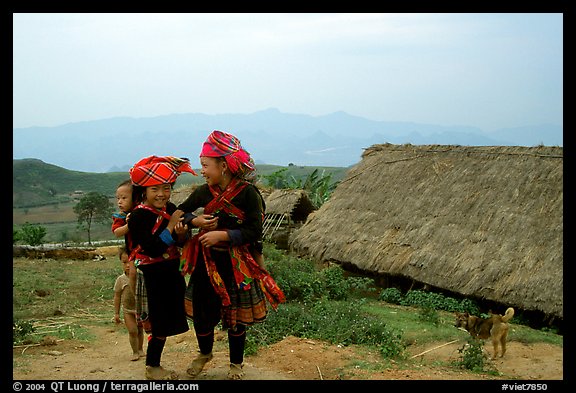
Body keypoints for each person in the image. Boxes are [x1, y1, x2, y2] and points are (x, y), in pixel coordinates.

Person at [177, 130, 285, 380]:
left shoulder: (249, 194)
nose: (201, 170)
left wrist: (223, 235)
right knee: (203, 313)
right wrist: (196, 221)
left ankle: (236, 363)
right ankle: (205, 354)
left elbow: (254, 231)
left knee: (236, 316)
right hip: (207, 263)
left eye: (205, 165)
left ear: (223, 166)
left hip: (237, 264)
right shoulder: (205, 192)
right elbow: (182, 212)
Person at [128, 155, 197, 380]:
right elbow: (153, 249)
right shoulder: (138, 217)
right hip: (151, 276)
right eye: (155, 189)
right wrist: (169, 226)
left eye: (166, 188)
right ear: (144, 191)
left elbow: (178, 239)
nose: (161, 194)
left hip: (170, 273)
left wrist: (180, 234)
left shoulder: (171, 207)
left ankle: (154, 364)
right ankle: (152, 366)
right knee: (157, 323)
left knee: (166, 321)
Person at [113, 246, 145, 361]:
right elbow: (117, 296)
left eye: (130, 262)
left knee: (140, 330)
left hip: (140, 310)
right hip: (128, 310)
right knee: (132, 331)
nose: (128, 265)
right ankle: (135, 352)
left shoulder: (141, 277)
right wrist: (116, 313)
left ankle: (140, 349)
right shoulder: (121, 280)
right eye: (124, 262)